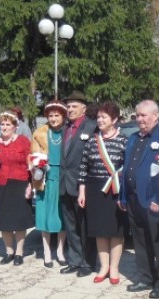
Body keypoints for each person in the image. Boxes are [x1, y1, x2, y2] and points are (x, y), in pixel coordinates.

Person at [119, 100, 159, 298]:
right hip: (133, 198)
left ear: (155, 116)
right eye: (137, 115)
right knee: (139, 240)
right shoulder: (133, 138)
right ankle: (145, 277)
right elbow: (126, 168)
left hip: (154, 200)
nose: (140, 119)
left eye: (144, 115)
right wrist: (123, 196)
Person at [78, 102, 127, 285]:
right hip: (94, 189)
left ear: (114, 119)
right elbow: (84, 166)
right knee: (99, 231)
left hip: (115, 189)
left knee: (115, 231)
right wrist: (82, 190)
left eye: (104, 117)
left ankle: (114, 268)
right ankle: (103, 267)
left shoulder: (124, 140)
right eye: (98, 117)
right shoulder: (92, 140)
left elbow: (127, 167)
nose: (100, 120)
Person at [0, 112, 34, 266]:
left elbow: (30, 164)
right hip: (0, 184)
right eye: (2, 124)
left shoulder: (23, 141)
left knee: (19, 220)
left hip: (19, 182)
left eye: (8, 124)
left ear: (15, 127)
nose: (5, 127)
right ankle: (9, 252)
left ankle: (19, 252)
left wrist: (30, 184)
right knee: (4, 220)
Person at [59, 91, 97, 276]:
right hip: (65, 183)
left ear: (84, 108)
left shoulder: (92, 127)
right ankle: (74, 260)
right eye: (68, 106)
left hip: (82, 185)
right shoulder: (66, 127)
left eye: (74, 106)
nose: (70, 109)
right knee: (70, 225)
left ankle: (87, 263)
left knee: (84, 226)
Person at [31, 100, 68, 268]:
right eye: (51, 115)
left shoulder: (69, 132)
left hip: (64, 178)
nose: (53, 118)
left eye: (57, 115)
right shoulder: (39, 133)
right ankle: (47, 251)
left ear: (63, 116)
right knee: (45, 215)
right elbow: (32, 157)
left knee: (62, 215)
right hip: (44, 178)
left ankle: (60, 250)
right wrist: (37, 167)